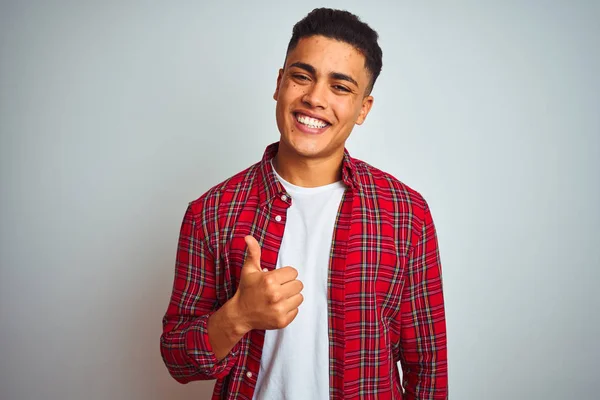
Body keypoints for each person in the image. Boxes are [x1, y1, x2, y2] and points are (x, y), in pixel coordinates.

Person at [160, 7, 448, 400]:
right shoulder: (211, 212)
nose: (315, 98)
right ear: (279, 83)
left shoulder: (406, 214)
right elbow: (178, 360)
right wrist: (239, 316)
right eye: (302, 77)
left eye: (340, 87)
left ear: (363, 108)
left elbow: (427, 367)